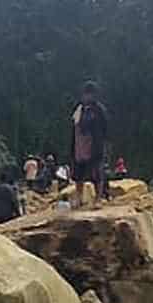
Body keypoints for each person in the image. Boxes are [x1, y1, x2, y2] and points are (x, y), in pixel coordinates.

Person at [69, 81, 109, 209]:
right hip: (79, 146)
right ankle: (79, 198)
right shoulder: (79, 109)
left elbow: (105, 128)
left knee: (97, 173)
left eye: (89, 94)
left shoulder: (99, 110)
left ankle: (98, 199)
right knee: (78, 174)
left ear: (94, 95)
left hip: (94, 145)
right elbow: (73, 126)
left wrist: (101, 143)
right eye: (85, 94)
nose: (87, 97)